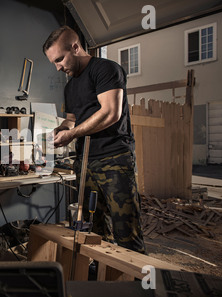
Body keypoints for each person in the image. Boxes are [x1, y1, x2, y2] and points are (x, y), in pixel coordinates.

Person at [43, 25, 146, 254]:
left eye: (60, 59)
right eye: (54, 63)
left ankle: (139, 285)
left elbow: (111, 112)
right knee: (92, 230)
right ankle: (101, 280)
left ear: (76, 47)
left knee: (126, 231)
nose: (58, 67)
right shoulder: (70, 87)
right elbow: (72, 121)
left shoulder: (106, 69)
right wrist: (60, 130)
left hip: (114, 159)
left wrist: (72, 133)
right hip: (85, 160)